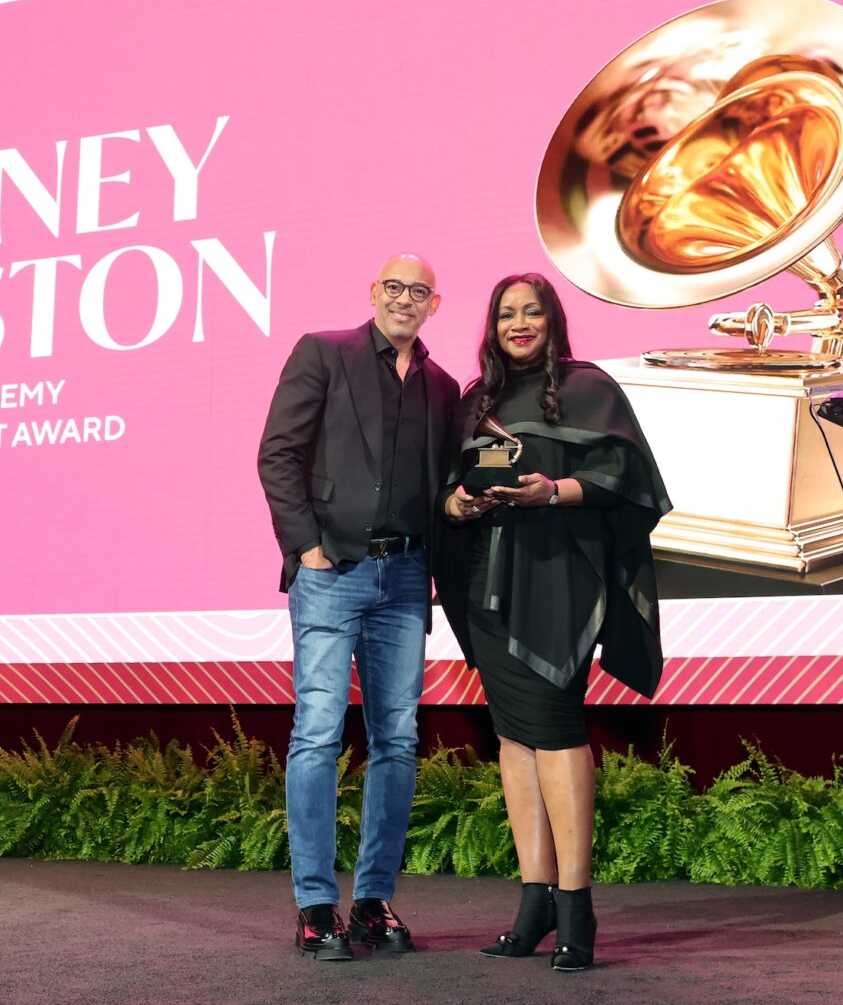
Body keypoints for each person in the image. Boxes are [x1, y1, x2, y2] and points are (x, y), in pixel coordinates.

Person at [436, 272, 670, 972]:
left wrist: (554, 491)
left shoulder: (589, 387)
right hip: (485, 582)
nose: (518, 323)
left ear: (552, 320)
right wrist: (460, 505)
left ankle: (576, 906)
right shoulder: (474, 401)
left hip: (559, 579)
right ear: (491, 326)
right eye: (506, 313)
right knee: (513, 737)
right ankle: (534, 901)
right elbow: (446, 489)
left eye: (531, 311)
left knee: (557, 730)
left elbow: (632, 482)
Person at [257, 253, 460, 961]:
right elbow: (278, 454)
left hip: (405, 577)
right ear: (374, 293)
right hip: (331, 572)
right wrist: (306, 547)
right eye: (394, 287)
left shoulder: (442, 386)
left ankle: (373, 902)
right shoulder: (323, 352)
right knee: (317, 734)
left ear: (434, 304)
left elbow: (442, 485)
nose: (405, 299)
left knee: (397, 739)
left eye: (419, 291)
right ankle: (316, 906)